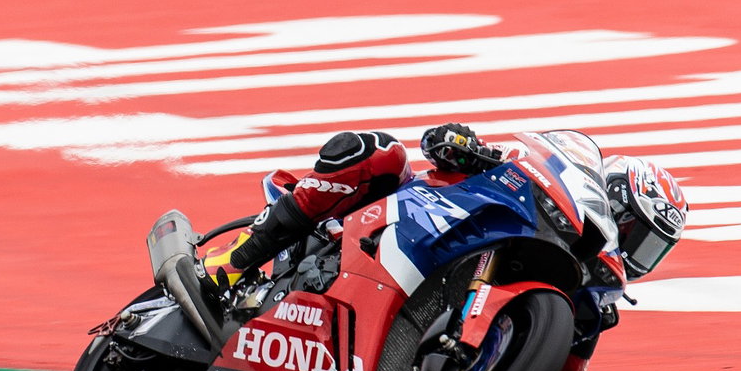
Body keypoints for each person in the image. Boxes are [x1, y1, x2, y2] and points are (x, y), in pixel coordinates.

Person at [205, 123, 687, 287]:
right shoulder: (534, 186)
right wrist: (463, 146)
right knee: (380, 152)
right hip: (405, 223)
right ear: (614, 204)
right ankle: (233, 260)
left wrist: (585, 326)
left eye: (648, 250)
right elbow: (439, 145)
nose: (631, 253)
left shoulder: (593, 289)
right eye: (634, 235)